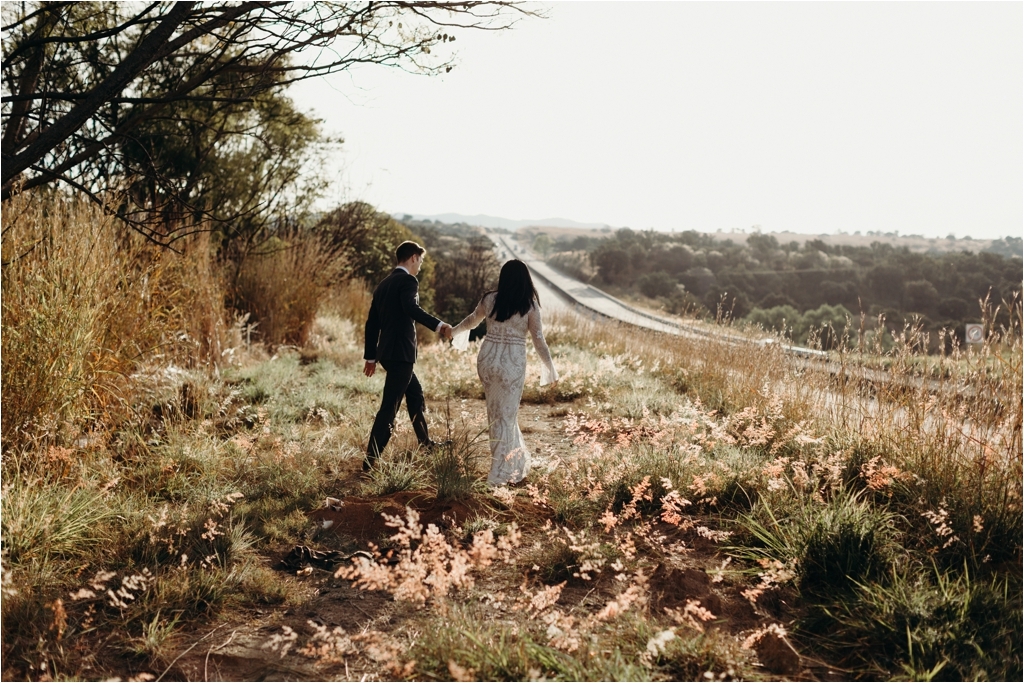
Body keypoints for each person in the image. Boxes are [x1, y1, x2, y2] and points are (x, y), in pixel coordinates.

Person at [450, 259, 557, 486]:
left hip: (488, 361)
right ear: (525, 279)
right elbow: (538, 339)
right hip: (511, 365)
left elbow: (472, 320)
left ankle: (513, 464)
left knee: (496, 415)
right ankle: (501, 471)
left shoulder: (490, 299)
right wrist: (550, 368)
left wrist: (453, 331)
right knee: (506, 416)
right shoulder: (529, 305)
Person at [363, 241, 453, 471]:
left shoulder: (383, 284)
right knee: (389, 407)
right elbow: (411, 309)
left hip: (387, 353)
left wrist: (371, 357)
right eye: (420, 261)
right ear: (413, 257)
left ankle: (426, 443)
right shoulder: (408, 281)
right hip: (401, 353)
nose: (420, 266)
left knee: (415, 393)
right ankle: (370, 461)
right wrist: (440, 326)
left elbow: (371, 324)